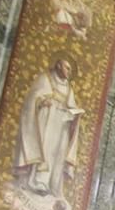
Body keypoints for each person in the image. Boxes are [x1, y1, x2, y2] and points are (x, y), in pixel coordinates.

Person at [14, 58, 83, 200]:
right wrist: (41, 101)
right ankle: (37, 181)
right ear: (58, 65)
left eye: (70, 69)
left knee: (57, 154)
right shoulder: (45, 79)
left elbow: (72, 106)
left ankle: (52, 184)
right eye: (66, 68)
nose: (68, 72)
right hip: (46, 122)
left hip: (61, 126)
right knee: (45, 150)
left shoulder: (69, 88)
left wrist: (76, 114)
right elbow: (32, 99)